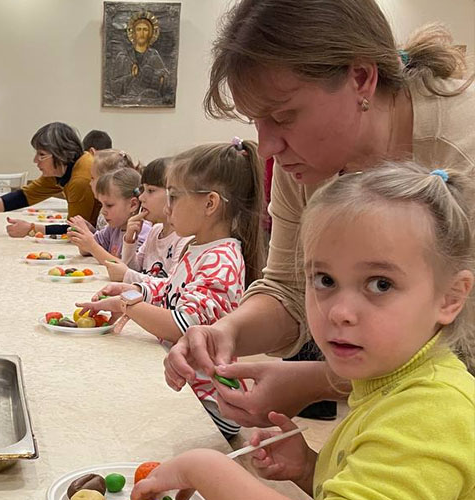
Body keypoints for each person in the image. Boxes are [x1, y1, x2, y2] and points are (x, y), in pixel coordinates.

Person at [164, 0, 475, 427]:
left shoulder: (464, 147)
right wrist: (227, 331)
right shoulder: (308, 163)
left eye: (284, 116)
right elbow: (287, 288)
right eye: (257, 122)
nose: (268, 146)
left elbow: (447, 359)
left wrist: (316, 381)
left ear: (362, 77)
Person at [133, 164, 475, 500]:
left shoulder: (430, 414)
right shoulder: (391, 383)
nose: (340, 312)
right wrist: (309, 469)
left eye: (380, 284)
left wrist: (204, 469)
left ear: (451, 298)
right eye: (325, 280)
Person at [80, 140, 264, 439]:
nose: (166, 207)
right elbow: (171, 290)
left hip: (210, 403)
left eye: (174, 197)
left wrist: (127, 305)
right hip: (184, 384)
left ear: (210, 203)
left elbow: (182, 325)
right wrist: (128, 287)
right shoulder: (198, 246)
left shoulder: (222, 260)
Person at [0, 122, 98, 238]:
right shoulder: (63, 168)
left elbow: (76, 230)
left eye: (41, 154)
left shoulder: (81, 179)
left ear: (61, 154)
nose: (35, 160)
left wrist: (31, 228)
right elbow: (24, 196)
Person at [104, 157, 192, 282]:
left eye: (150, 190)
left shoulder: (183, 240)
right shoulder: (155, 231)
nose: (141, 197)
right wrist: (130, 240)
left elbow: (171, 286)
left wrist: (127, 275)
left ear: (173, 194)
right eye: (143, 190)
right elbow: (135, 269)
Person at [69, 168, 151, 264]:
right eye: (102, 204)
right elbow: (86, 251)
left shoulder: (142, 232)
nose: (103, 211)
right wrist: (81, 237)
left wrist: (91, 245)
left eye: (109, 205)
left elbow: (125, 268)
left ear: (133, 205)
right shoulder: (113, 229)